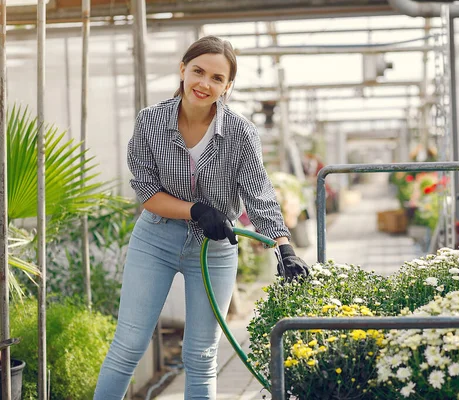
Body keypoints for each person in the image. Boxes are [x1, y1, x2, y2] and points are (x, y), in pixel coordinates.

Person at [94, 35, 310, 400]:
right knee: (129, 345)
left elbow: (258, 193)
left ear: (227, 86)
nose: (204, 84)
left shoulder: (241, 133)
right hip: (156, 240)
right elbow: (146, 191)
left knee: (201, 355)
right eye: (198, 71)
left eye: (216, 78)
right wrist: (194, 210)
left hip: (215, 247)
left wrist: (284, 247)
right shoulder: (150, 121)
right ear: (182, 69)